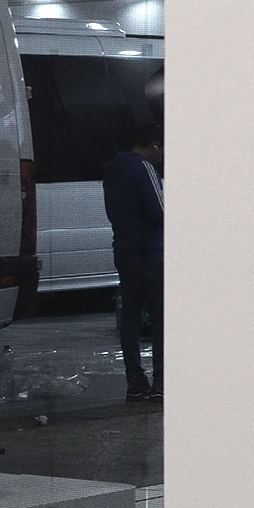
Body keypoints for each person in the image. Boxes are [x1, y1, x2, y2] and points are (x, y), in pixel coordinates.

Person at [103, 124, 164, 401]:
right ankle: (162, 383)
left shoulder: (112, 169)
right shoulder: (144, 168)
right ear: (154, 145)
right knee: (163, 318)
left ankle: (135, 382)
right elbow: (158, 211)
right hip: (150, 253)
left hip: (124, 251)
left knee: (130, 318)